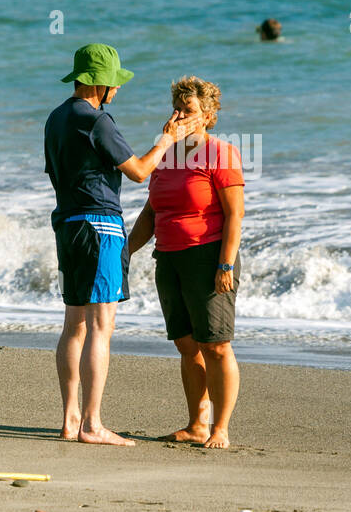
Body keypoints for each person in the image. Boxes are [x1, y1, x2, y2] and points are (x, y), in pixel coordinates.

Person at [44, 43, 192, 446]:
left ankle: (71, 419)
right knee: (100, 326)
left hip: (67, 225)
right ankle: (92, 424)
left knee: (73, 326)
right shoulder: (97, 120)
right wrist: (167, 139)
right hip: (100, 227)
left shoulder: (56, 118)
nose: (118, 89)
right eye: (115, 82)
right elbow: (140, 172)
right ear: (99, 83)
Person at [129, 76, 244, 449]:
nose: (179, 116)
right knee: (186, 345)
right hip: (170, 257)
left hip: (208, 256)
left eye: (188, 110)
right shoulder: (164, 156)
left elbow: (234, 216)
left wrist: (225, 265)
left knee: (216, 345)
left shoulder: (221, 153)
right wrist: (125, 250)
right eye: (175, 108)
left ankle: (220, 428)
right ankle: (197, 423)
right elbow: (150, 212)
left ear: (208, 116)